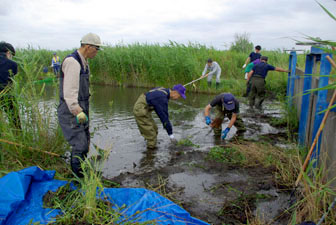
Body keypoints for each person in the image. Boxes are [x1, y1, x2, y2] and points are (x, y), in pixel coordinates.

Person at [57, 33, 103, 177]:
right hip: (71, 110)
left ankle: (82, 171)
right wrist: (77, 111)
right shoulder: (73, 62)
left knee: (85, 143)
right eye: (97, 49)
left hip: (81, 108)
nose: (97, 52)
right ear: (88, 47)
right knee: (79, 144)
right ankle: (78, 181)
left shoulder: (84, 62)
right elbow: (70, 93)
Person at [133, 84, 186, 149]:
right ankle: (150, 152)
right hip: (140, 109)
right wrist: (171, 135)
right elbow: (164, 118)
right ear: (175, 92)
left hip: (145, 107)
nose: (178, 98)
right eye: (179, 96)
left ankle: (149, 141)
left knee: (155, 128)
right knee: (151, 135)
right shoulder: (162, 98)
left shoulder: (165, 91)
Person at [0, 41, 21, 130]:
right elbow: (12, 75)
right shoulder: (12, 64)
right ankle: (18, 138)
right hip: (7, 94)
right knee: (14, 119)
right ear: (8, 53)